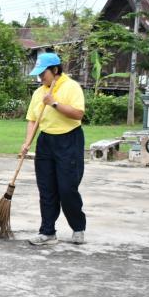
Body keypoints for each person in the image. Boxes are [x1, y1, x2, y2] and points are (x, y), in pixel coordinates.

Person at [21, 52, 86, 245]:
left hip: (69, 140)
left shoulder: (72, 87)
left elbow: (78, 114)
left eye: (43, 74)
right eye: (39, 74)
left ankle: (78, 227)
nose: (40, 78)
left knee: (67, 188)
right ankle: (47, 231)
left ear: (55, 70)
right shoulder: (39, 92)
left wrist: (54, 103)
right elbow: (32, 119)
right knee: (46, 189)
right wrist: (27, 142)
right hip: (46, 141)